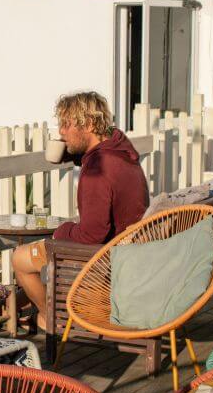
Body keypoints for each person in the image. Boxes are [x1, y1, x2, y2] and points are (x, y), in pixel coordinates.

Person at [11, 91, 149, 329]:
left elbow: (91, 235)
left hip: (106, 258)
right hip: (132, 249)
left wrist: (62, 230)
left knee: (20, 258)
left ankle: (49, 320)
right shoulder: (120, 150)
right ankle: (49, 315)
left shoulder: (98, 169)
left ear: (90, 124)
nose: (61, 132)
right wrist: (75, 155)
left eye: (67, 124)